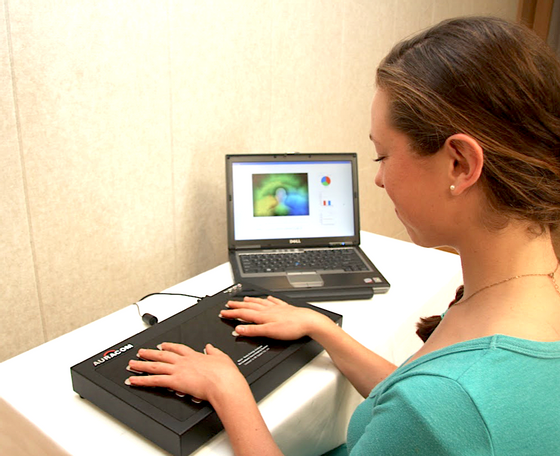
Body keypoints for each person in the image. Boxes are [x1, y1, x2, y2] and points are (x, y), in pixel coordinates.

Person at [125, 16, 560, 455]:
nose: (379, 180)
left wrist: (227, 390)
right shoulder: (523, 300)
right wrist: (320, 326)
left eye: (382, 155)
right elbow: (408, 403)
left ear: (460, 164)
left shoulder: (444, 404)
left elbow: (427, 411)